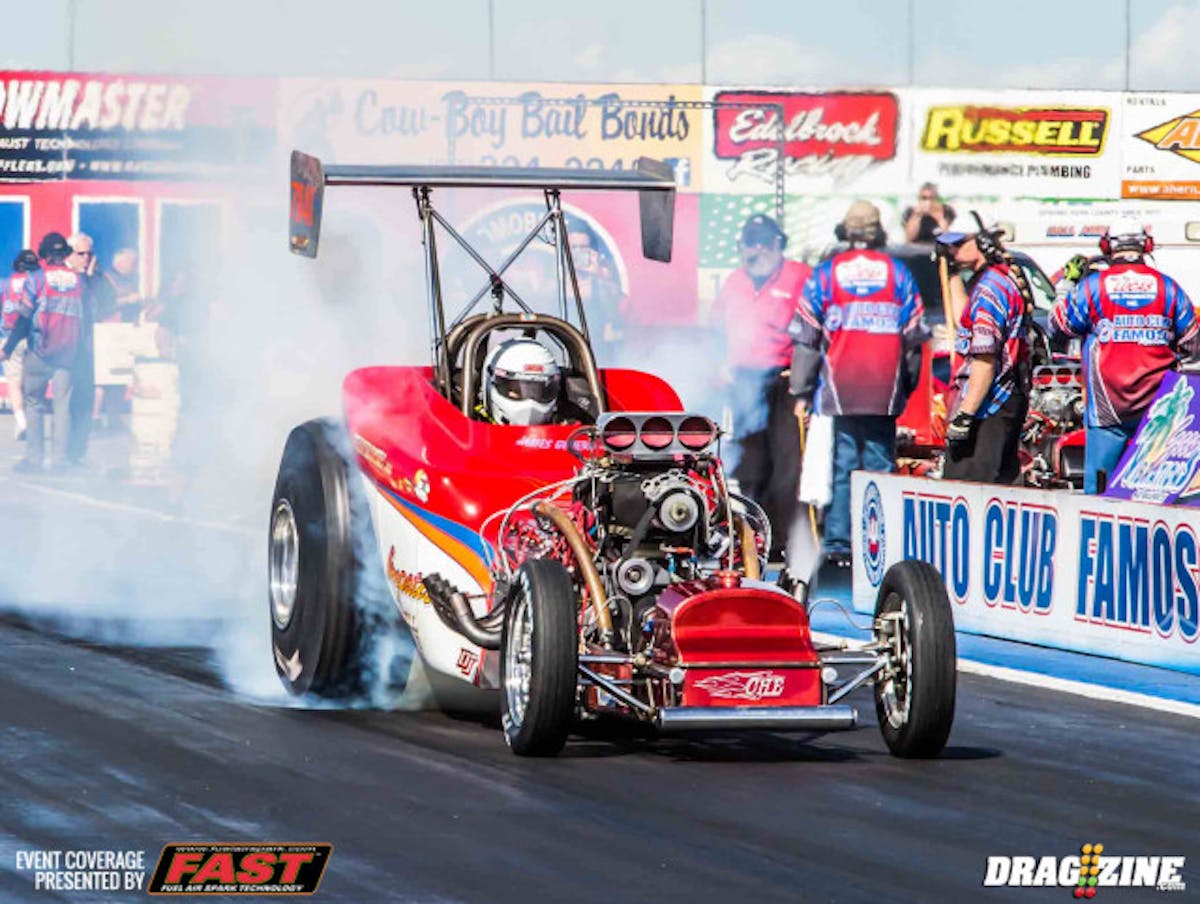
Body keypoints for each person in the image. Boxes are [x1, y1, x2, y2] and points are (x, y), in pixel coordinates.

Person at [789, 201, 928, 562]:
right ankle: (882, 542)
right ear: (878, 232)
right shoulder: (898, 274)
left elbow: (807, 339)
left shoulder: (826, 274)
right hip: (884, 388)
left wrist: (801, 390)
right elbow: (914, 341)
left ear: (845, 231)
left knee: (845, 466)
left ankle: (839, 544)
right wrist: (907, 385)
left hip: (841, 388)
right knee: (881, 467)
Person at [1050, 217, 1200, 493]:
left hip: (1108, 409)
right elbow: (1193, 346)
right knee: (1154, 493)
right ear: (1146, 246)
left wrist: (1065, 285)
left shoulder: (1092, 286)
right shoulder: (1169, 287)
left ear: (1108, 246)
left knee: (1100, 495)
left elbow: (1058, 326)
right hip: (1160, 408)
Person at [711, 213, 813, 555]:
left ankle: (785, 540)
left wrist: (804, 377)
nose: (756, 250)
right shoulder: (735, 282)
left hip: (786, 382)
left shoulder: (799, 276)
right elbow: (715, 329)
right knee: (749, 465)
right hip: (744, 383)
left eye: (763, 243)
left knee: (788, 467)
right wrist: (720, 364)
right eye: (749, 243)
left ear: (777, 244)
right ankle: (754, 539)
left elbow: (816, 328)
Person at [936, 224, 1030, 484]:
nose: (952, 250)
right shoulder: (993, 279)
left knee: (969, 488)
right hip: (999, 399)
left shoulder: (990, 290)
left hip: (990, 403)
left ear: (983, 243)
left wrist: (965, 414)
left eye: (958, 244)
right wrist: (952, 273)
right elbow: (963, 319)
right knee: (999, 484)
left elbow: (985, 360)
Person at [0, 232, 83, 473]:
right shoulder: (78, 281)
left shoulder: (36, 278)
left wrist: (8, 348)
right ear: (65, 253)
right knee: (62, 406)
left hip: (39, 351)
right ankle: (61, 461)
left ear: (44, 253)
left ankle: (34, 459)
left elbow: (24, 319)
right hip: (67, 354)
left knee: (34, 403)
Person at [65, 233, 114, 467]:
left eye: (89, 254)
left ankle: (78, 452)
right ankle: (62, 452)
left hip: (87, 347)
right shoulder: (63, 276)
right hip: (64, 346)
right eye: (80, 253)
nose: (85, 258)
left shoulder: (95, 278)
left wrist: (93, 277)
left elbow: (108, 303)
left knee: (85, 400)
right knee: (64, 402)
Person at [479, 338, 564, 426]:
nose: (530, 405)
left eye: (536, 392)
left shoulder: (566, 430)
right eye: (516, 391)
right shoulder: (473, 428)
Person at [1, 249, 39, 440]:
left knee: (14, 383)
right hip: (33, 337)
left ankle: (22, 423)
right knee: (31, 381)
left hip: (9, 337)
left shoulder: (5, 284)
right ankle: (30, 421)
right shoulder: (37, 282)